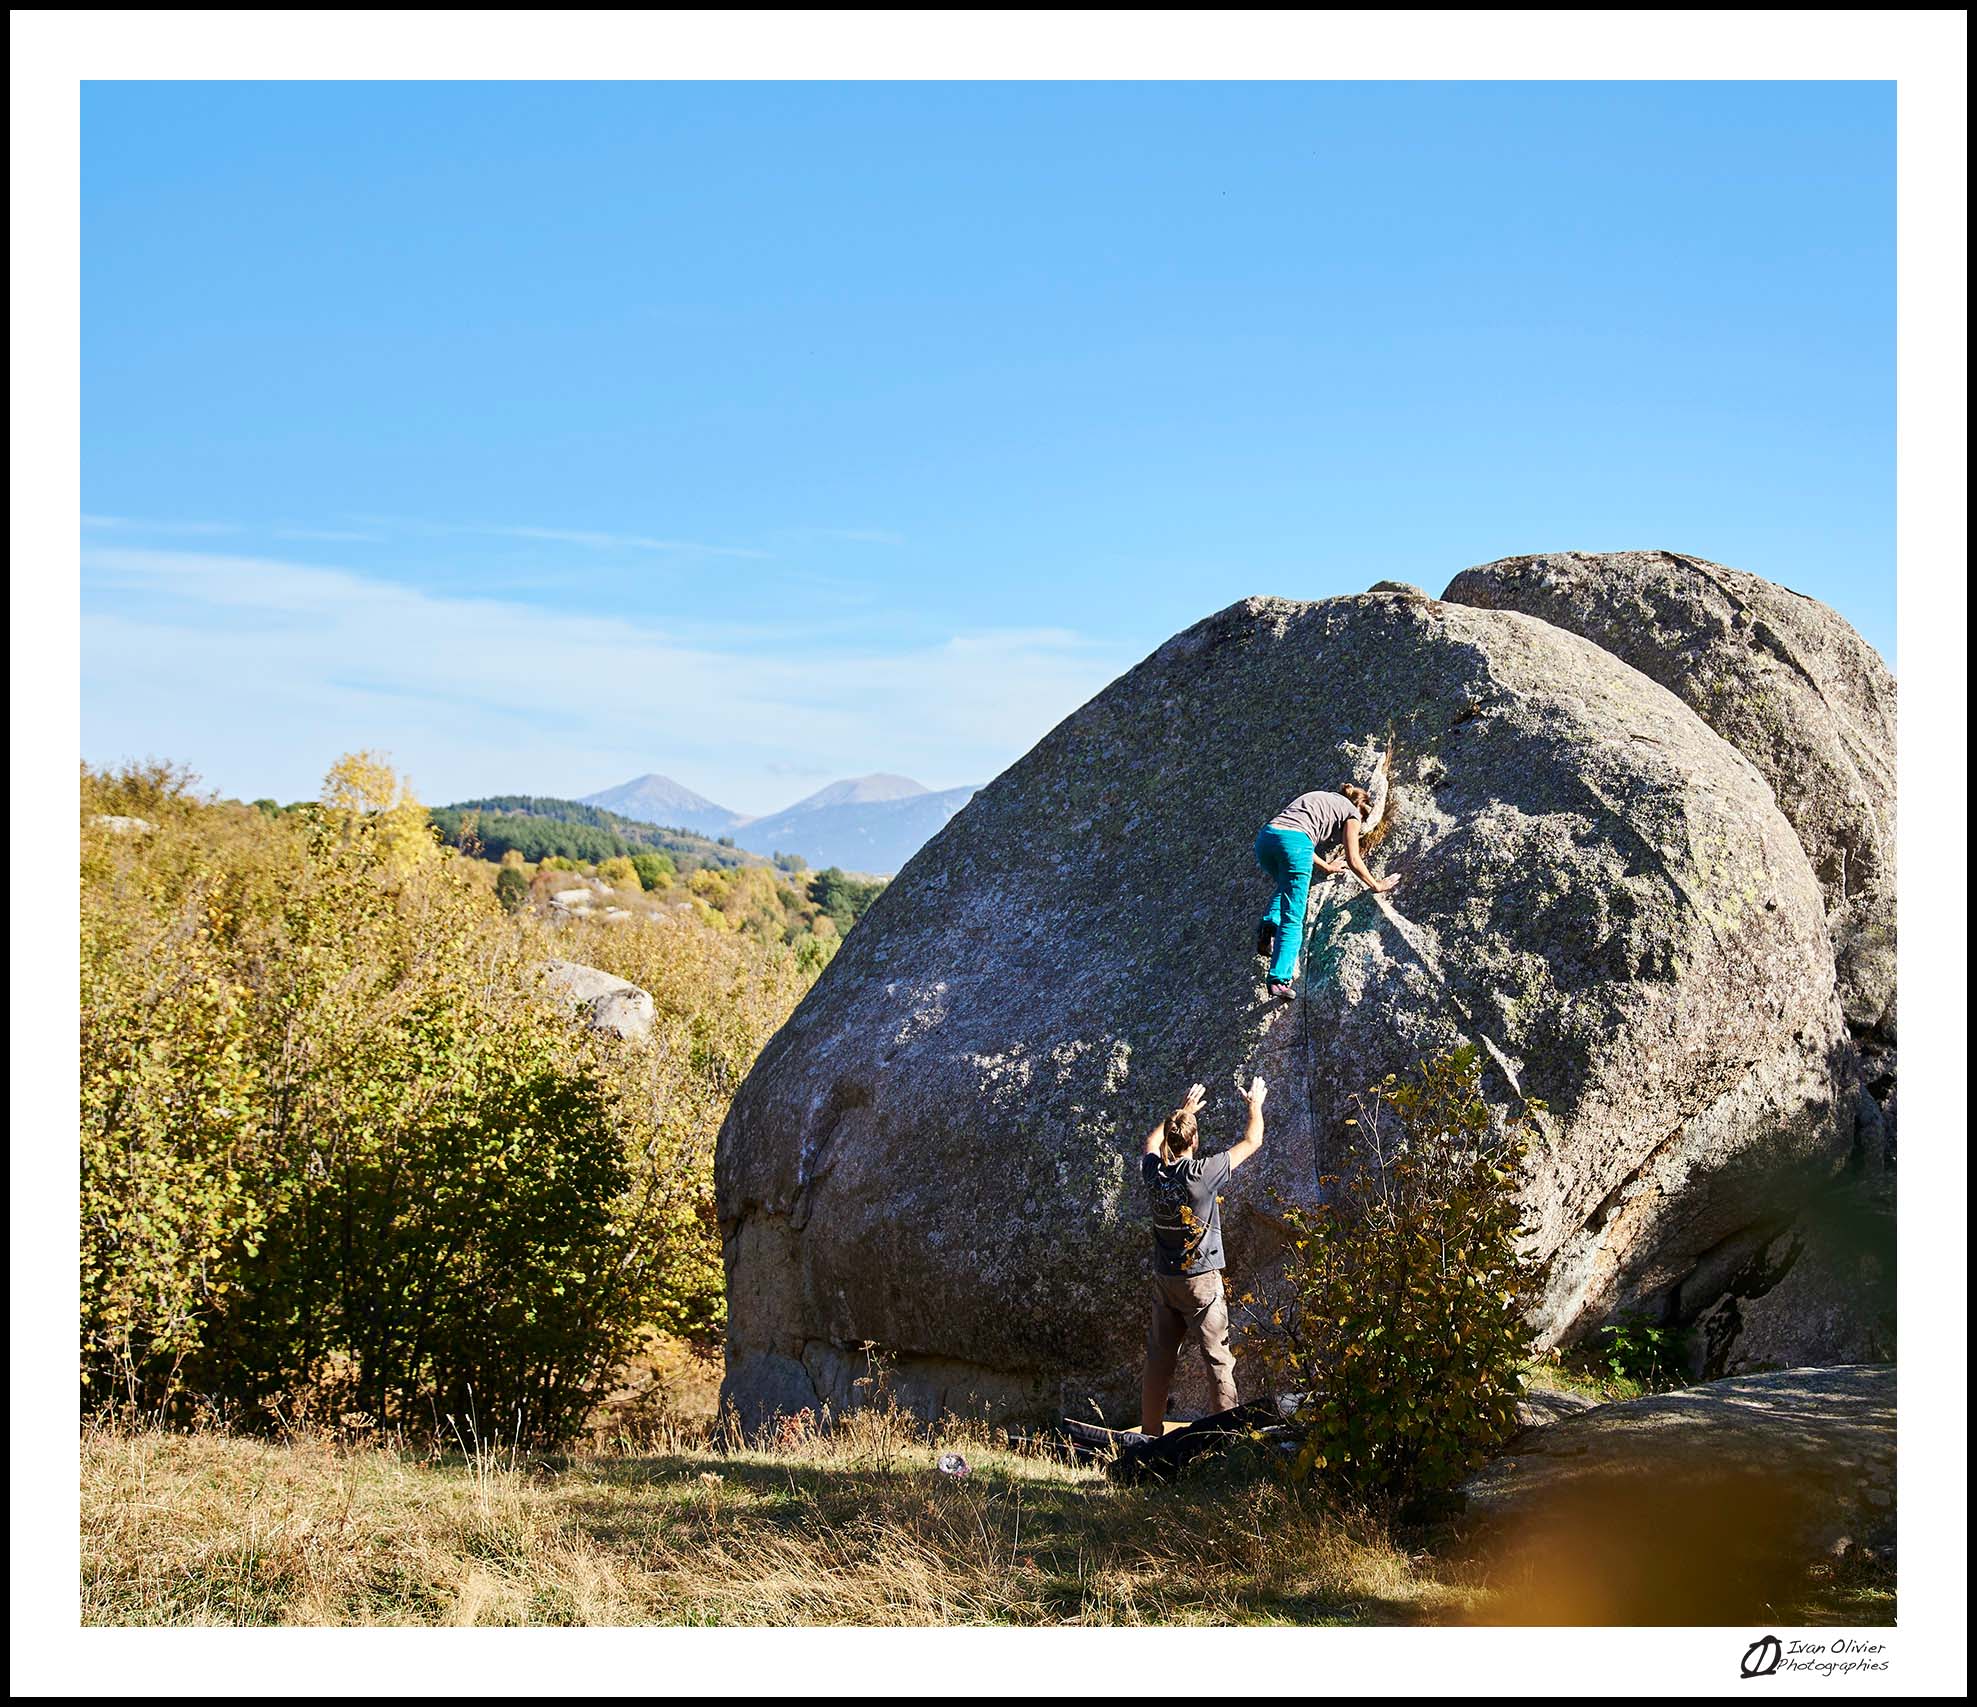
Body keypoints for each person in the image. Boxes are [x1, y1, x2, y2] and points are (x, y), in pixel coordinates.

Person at [1138, 1075, 1267, 1435]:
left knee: (1159, 1360)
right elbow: (1253, 1141)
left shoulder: (1154, 1174)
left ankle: (1150, 1434)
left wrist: (1182, 1111)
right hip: (1201, 1281)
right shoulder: (1200, 1175)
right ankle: (1228, 1436)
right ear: (1194, 1141)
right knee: (1217, 1359)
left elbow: (1150, 1143)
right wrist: (1255, 1104)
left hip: (1166, 1280)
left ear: (1170, 1140)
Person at [1253, 783, 1399, 1000]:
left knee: (1286, 887)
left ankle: (1269, 927)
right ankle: (1279, 979)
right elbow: (1353, 858)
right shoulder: (1352, 814)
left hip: (1266, 840)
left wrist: (1326, 867)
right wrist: (1376, 885)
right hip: (1295, 844)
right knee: (1293, 917)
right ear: (1360, 808)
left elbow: (1296, 833)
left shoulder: (1322, 797)